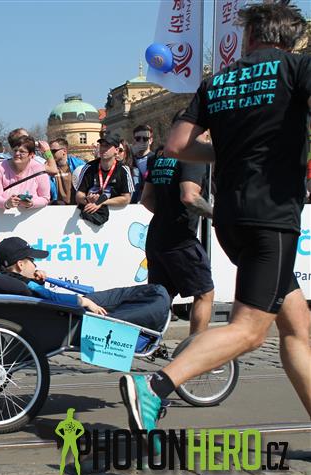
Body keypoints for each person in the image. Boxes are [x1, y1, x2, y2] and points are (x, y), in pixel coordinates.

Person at [120, 2, 311, 446]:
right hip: (271, 217)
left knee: (297, 326)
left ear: (251, 36)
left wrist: (227, 152)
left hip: (230, 218)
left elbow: (177, 144)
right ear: (290, 38)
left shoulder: (217, 81)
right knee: (250, 329)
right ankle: (155, 386)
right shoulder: (296, 68)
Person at [0, 237, 171, 331]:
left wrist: (37, 281)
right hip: (69, 315)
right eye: (32, 260)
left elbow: (39, 298)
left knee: (152, 292)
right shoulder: (23, 284)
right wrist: (84, 301)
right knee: (157, 296)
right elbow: (51, 298)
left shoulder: (6, 280)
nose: (35, 264)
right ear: (20, 265)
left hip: (58, 313)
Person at [140, 110, 215, 336]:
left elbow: (146, 199)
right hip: (181, 239)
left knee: (160, 297)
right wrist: (217, 216)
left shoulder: (159, 156)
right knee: (204, 293)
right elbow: (190, 196)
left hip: (157, 236)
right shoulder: (192, 155)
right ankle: (196, 348)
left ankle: (148, 343)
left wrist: (167, 214)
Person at [75, 134, 134, 225]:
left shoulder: (123, 169)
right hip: (90, 217)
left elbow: (126, 198)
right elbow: (79, 195)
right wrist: (87, 199)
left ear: (116, 150)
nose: (103, 149)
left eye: (107, 146)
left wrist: (101, 202)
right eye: (102, 145)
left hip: (117, 219)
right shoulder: (89, 167)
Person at [0, 135, 50, 210]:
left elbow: (45, 198)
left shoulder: (39, 169)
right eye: (15, 150)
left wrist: (32, 203)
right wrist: (6, 203)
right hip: (4, 214)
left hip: (31, 214)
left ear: (31, 155)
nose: (17, 153)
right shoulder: (0, 168)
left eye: (22, 151)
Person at [49, 138, 82, 205]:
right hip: (56, 207)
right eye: (50, 151)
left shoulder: (79, 165)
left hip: (76, 207)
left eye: (54, 151)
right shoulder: (48, 167)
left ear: (64, 151)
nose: (51, 154)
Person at [131, 124, 155, 203]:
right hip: (133, 202)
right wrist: (131, 154)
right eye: (138, 138)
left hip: (150, 200)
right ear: (134, 140)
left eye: (145, 139)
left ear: (150, 140)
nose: (141, 141)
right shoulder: (130, 160)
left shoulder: (155, 158)